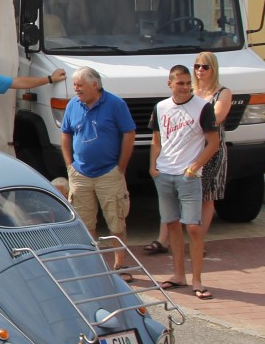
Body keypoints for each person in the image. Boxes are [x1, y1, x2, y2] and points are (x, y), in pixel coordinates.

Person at [149, 65, 221, 298]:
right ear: (169, 83)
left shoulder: (203, 107)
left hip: (189, 175)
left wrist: (194, 167)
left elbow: (214, 142)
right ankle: (179, 275)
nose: (185, 87)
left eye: (188, 83)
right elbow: (156, 140)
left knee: (194, 228)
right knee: (171, 224)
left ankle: (197, 280)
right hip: (165, 173)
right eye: (180, 83)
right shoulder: (161, 107)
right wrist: (154, 167)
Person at [59, 66, 137, 271]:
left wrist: (120, 167)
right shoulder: (72, 105)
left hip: (109, 173)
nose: (75, 89)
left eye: (79, 85)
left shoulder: (115, 104)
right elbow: (66, 134)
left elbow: (129, 133)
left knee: (116, 221)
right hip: (80, 174)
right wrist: (70, 165)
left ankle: (120, 264)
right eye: (74, 85)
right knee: (84, 223)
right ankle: (93, 266)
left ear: (95, 85)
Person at [190, 50, 232, 236]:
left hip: (212, 151)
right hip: (189, 150)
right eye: (197, 66)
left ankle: (199, 238)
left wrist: (190, 120)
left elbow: (216, 118)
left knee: (207, 197)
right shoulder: (190, 91)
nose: (200, 70)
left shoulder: (223, 93)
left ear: (213, 69)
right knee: (187, 195)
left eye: (205, 66)